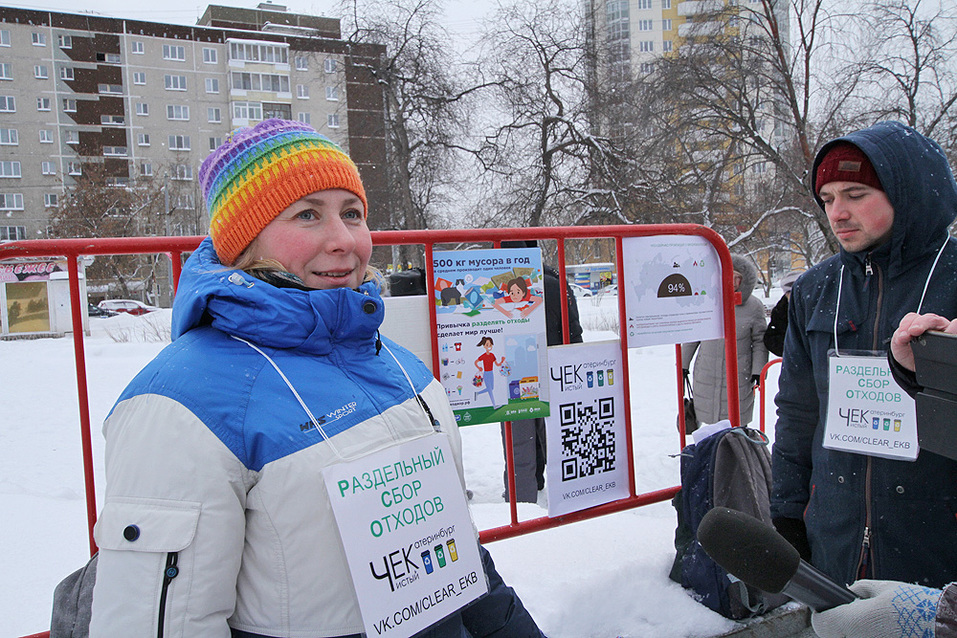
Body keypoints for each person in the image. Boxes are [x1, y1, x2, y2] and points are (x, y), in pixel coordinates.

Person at [87, 119, 544, 637]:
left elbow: (461, 562)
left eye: (352, 213)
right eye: (307, 214)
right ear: (244, 242)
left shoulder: (399, 365)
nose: (343, 240)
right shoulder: (179, 406)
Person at [770, 121, 957, 592]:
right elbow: (797, 412)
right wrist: (788, 513)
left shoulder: (952, 277)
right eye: (827, 198)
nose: (838, 213)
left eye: (855, 194)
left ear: (907, 194)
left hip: (935, 547)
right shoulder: (814, 289)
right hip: (836, 539)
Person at [498, 241, 584, 502]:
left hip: (517, 365)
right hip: (554, 364)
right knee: (553, 431)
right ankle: (567, 490)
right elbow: (573, 328)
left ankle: (521, 497)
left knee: (519, 437)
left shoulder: (503, 288)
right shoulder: (554, 281)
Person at [681, 254, 768, 427]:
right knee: (708, 419)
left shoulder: (753, 306)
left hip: (740, 373)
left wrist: (759, 370)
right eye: (729, 275)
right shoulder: (706, 301)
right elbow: (694, 334)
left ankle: (735, 442)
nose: (733, 282)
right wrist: (683, 364)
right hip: (707, 370)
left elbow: (760, 340)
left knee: (735, 418)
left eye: (738, 277)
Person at [762, 269, 802, 357]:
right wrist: (790, 349)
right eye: (788, 292)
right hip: (793, 359)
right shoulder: (781, 310)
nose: (792, 295)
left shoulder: (815, 308)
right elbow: (771, 338)